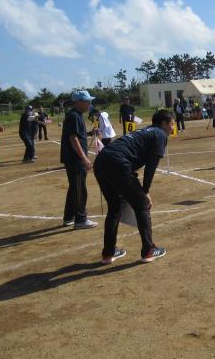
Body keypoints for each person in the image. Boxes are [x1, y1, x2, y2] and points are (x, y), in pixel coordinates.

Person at [93, 110, 173, 264]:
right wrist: (145, 191)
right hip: (118, 164)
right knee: (142, 204)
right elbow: (151, 167)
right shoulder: (160, 135)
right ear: (163, 124)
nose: (172, 127)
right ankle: (149, 250)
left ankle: (108, 253)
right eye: (171, 123)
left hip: (101, 162)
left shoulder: (144, 131)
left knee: (114, 207)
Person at [60, 91, 98, 229]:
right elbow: (73, 138)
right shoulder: (74, 116)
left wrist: (89, 133)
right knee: (80, 189)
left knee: (74, 188)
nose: (89, 104)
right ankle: (81, 219)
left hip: (74, 158)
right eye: (87, 101)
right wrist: (84, 158)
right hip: (75, 159)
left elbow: (77, 134)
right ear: (78, 102)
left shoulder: (77, 116)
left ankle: (69, 216)